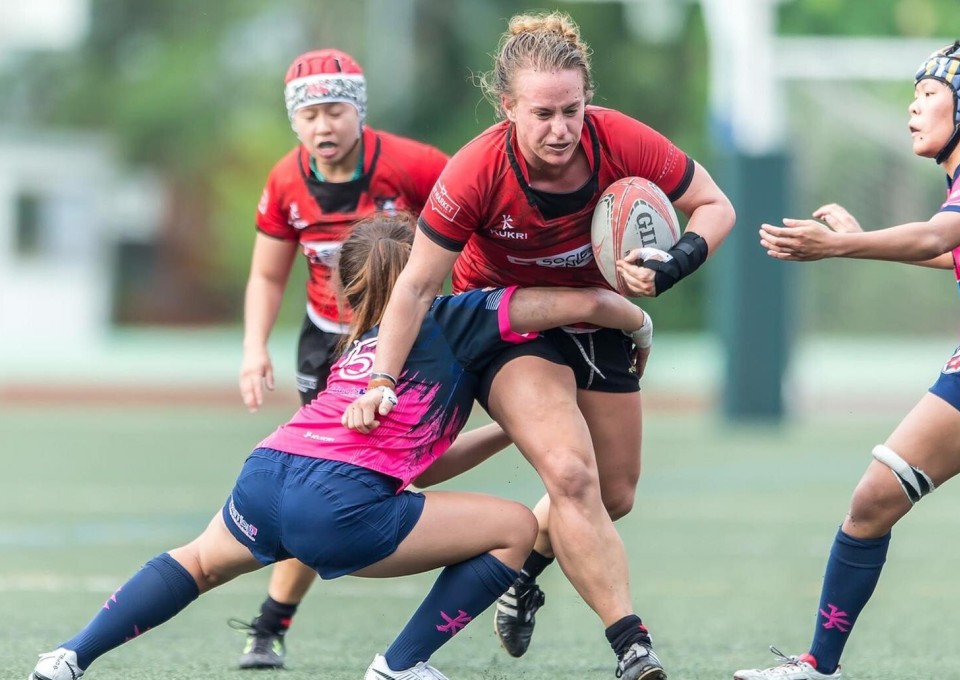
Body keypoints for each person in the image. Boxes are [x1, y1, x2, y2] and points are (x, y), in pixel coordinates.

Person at [28, 213, 655, 680]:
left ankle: (69, 657)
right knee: (516, 526)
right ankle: (402, 666)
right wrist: (639, 323)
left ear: (350, 292)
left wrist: (507, 433)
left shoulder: (358, 352)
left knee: (194, 563)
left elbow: (421, 468)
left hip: (269, 471)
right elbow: (590, 303)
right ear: (427, 267)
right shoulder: (456, 312)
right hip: (337, 503)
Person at [341, 11, 735, 679]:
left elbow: (715, 204)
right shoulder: (476, 171)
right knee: (571, 475)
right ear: (508, 108)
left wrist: (675, 261)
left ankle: (522, 570)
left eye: (572, 111)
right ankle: (632, 647)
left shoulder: (619, 141)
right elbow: (414, 288)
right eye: (543, 113)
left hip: (595, 317)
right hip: (507, 326)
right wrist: (382, 380)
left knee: (613, 496)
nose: (559, 129)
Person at [733, 42, 960, 680]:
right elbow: (955, 252)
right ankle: (818, 667)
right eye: (914, 97)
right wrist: (851, 241)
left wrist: (840, 247)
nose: (912, 110)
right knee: (872, 501)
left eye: (928, 97)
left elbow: (936, 236)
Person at [235, 47, 448, 668]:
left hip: (412, 334)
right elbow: (267, 276)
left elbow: (471, 227)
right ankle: (270, 624)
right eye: (308, 115)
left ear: (358, 109)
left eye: (334, 110)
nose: (322, 125)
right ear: (294, 123)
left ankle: (512, 562)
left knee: (407, 460)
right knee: (321, 477)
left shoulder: (415, 166)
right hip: (328, 337)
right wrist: (254, 348)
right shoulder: (284, 181)